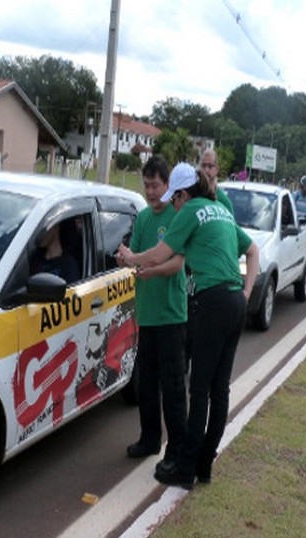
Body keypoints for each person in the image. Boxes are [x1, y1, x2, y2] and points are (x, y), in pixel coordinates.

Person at [117, 163, 260, 489]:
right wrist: (247, 292)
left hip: (211, 303)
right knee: (219, 390)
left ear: (182, 193)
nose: (173, 204)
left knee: (197, 391)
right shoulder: (218, 210)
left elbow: (161, 255)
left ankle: (184, 470)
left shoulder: (191, 210)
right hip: (235, 299)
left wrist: (131, 258)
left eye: (173, 196)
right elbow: (252, 251)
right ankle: (204, 465)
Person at [118, 156, 188, 463]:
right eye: (146, 185)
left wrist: (143, 264)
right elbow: (135, 256)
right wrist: (127, 259)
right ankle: (149, 440)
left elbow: (176, 263)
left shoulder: (177, 216)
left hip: (172, 316)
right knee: (146, 384)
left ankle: (177, 449)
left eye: (155, 185)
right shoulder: (144, 218)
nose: (150, 191)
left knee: (173, 387)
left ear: (167, 185)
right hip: (146, 314)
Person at [199, 149, 234, 215]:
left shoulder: (224, 202)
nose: (206, 170)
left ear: (217, 169)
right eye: (203, 166)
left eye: (210, 166)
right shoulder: (193, 196)